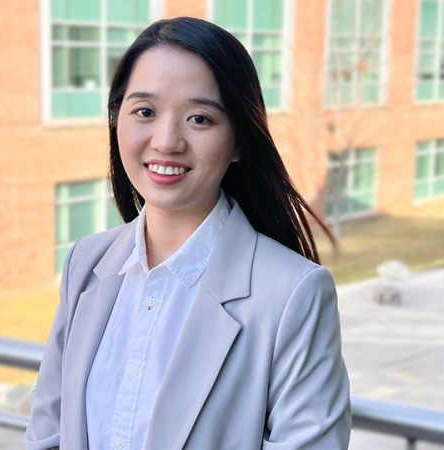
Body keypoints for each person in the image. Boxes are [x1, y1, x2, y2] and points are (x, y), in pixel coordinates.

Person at [25, 17, 350, 450]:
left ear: (238, 142)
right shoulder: (86, 262)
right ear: (116, 119)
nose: (166, 141)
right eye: (144, 112)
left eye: (199, 118)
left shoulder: (294, 294)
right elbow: (48, 432)